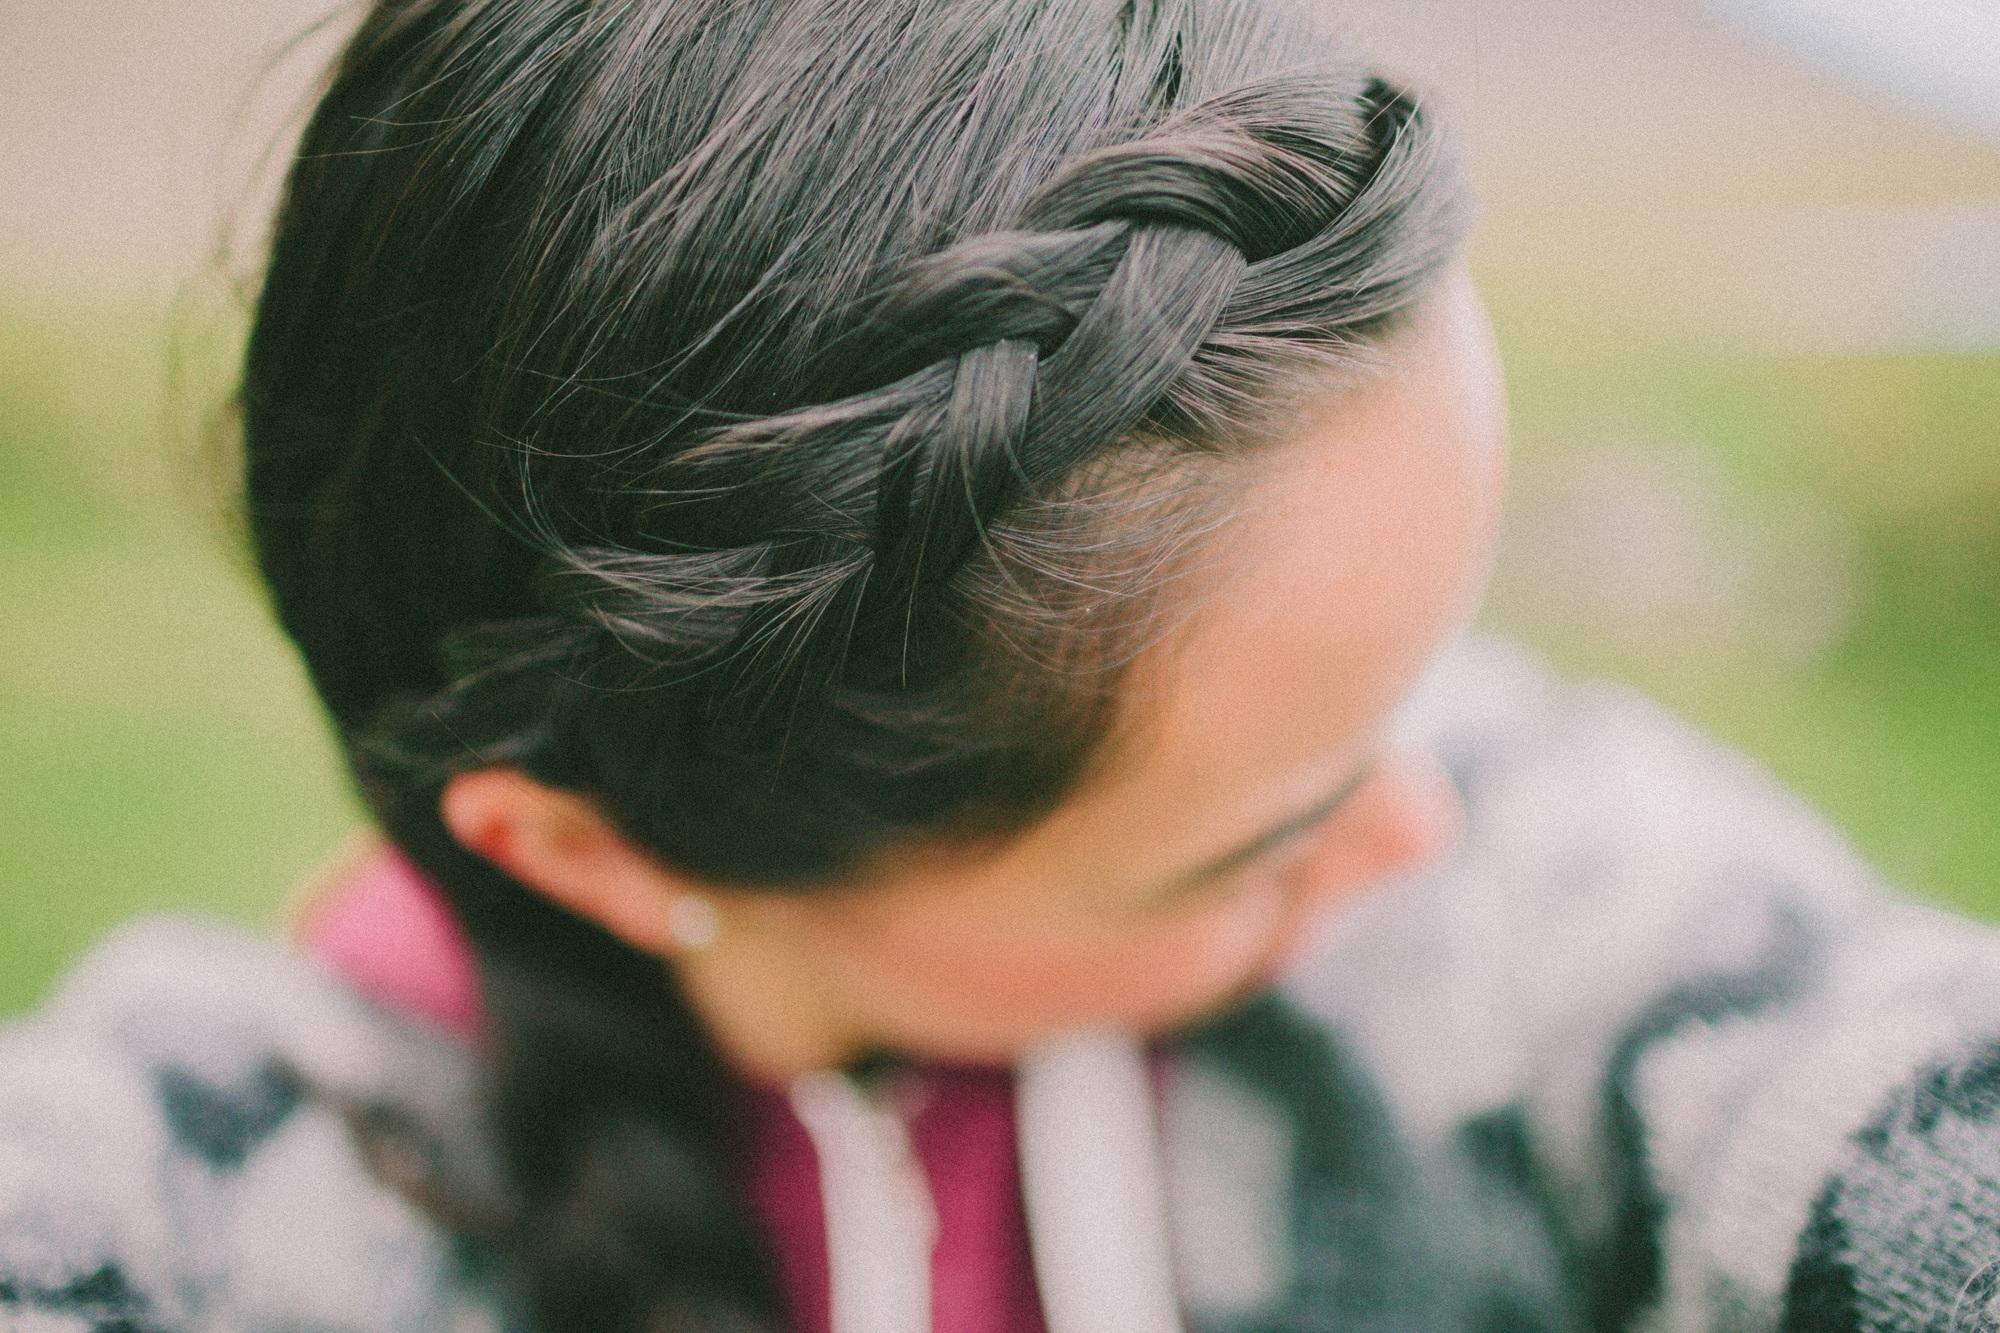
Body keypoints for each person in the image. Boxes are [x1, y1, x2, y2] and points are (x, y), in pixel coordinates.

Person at [4, 1, 1999, 1330]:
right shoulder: (200, 1195)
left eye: (1424, 674)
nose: (1426, 821)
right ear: (601, 853)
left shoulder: (1563, 920)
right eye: (1252, 840)